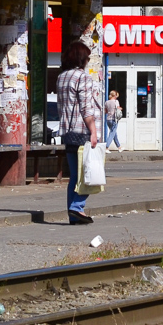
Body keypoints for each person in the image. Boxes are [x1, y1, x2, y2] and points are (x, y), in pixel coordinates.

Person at [57, 40, 100, 225]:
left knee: (75, 174)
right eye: (87, 58)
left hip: (67, 132)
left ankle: (73, 215)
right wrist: (93, 131)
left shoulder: (61, 77)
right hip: (82, 131)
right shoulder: (83, 77)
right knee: (89, 173)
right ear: (82, 58)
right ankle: (77, 207)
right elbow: (86, 107)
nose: (88, 61)